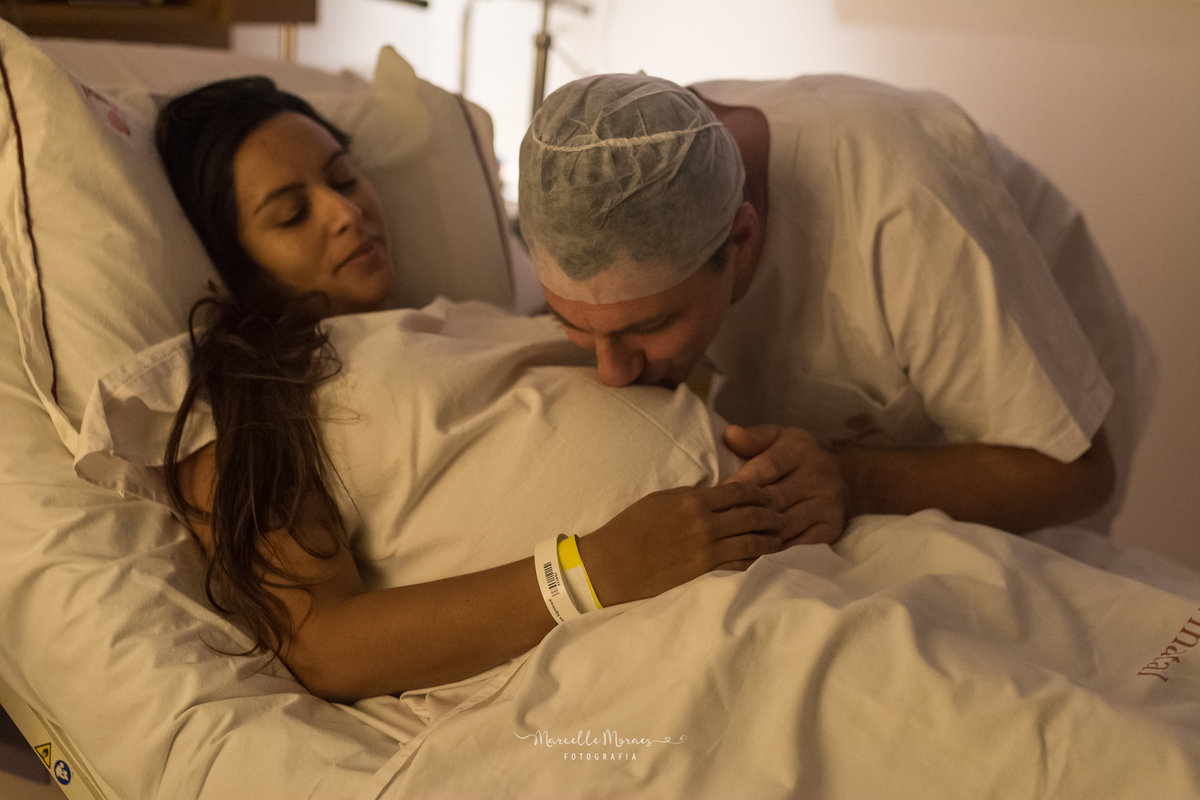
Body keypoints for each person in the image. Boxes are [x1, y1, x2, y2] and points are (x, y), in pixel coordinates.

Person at [152, 77, 787, 703]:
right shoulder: (251, 393)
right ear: (237, 258)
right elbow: (324, 645)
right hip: (666, 643)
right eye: (292, 214)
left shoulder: (473, 319)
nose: (346, 214)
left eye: (343, 179)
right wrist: (591, 572)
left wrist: (796, 469)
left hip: (772, 571)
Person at [519, 73, 1147, 540]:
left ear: (741, 241)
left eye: (651, 324)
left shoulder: (901, 214)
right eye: (574, 324)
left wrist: (853, 479)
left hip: (1042, 403)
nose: (612, 371)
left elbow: (1076, 472)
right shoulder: (618, 164)